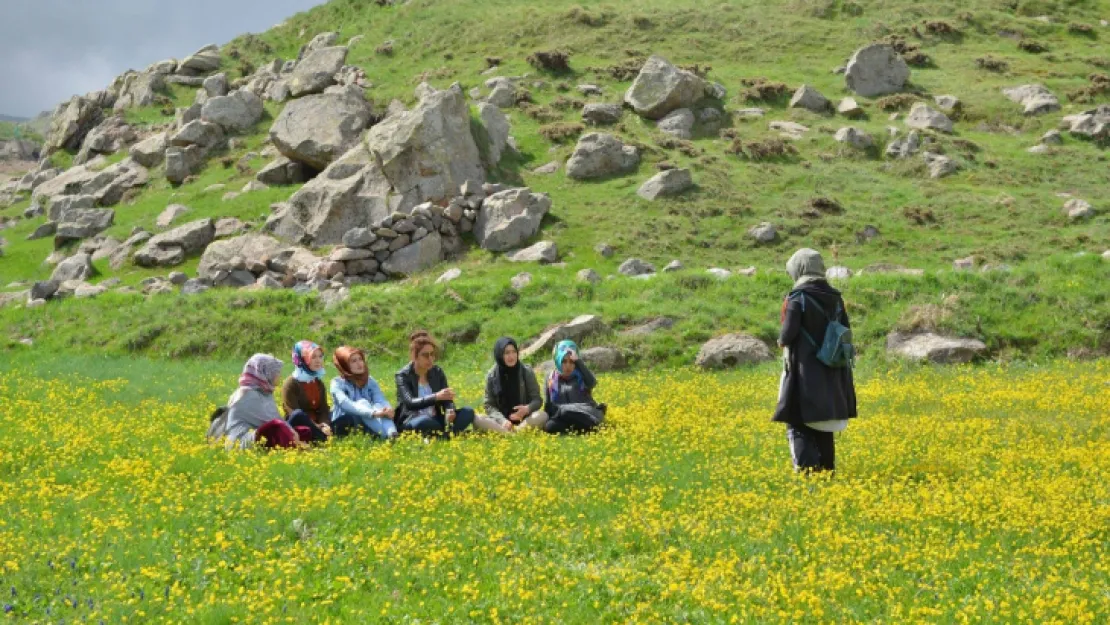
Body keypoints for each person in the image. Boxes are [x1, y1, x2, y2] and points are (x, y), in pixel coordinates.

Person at [772, 248, 857, 473]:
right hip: (832, 368)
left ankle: (807, 473)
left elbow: (788, 334)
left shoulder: (798, 296)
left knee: (799, 421)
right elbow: (846, 329)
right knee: (823, 424)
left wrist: (780, 341)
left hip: (804, 370)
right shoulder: (836, 297)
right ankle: (827, 471)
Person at [207, 354, 311, 449]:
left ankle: (294, 445)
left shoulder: (264, 391)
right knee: (278, 426)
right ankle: (297, 447)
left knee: (304, 430)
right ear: (265, 373)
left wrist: (292, 432)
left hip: (256, 434)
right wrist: (291, 432)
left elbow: (275, 419)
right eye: (276, 372)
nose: (279, 375)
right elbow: (271, 421)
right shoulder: (248, 394)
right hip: (241, 441)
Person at [394, 331, 478, 436]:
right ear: (414, 356)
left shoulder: (437, 372)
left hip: (435, 419)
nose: (430, 359)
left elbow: (447, 398)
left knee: (468, 412)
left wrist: (449, 410)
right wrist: (436, 397)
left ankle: (441, 435)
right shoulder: (402, 375)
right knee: (424, 422)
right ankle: (449, 434)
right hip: (413, 420)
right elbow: (410, 403)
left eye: (432, 354)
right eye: (425, 355)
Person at [330, 346, 399, 440]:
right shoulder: (337, 383)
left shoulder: (369, 380)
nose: (359, 364)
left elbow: (380, 399)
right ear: (344, 365)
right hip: (346, 423)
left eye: (360, 359)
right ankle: (386, 437)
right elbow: (346, 404)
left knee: (380, 406)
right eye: (353, 361)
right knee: (363, 403)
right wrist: (373, 413)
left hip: (369, 421)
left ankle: (392, 434)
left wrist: (388, 409)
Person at [483, 337, 547, 433]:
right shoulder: (492, 376)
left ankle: (516, 431)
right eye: (507, 353)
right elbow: (489, 405)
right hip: (501, 422)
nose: (511, 356)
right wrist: (502, 421)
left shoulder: (526, 372)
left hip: (524, 420)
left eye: (514, 352)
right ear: (500, 355)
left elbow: (537, 400)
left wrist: (527, 409)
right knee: (478, 419)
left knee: (542, 415)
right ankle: (509, 431)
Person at [543, 340, 606, 434]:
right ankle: (580, 430)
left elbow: (592, 383)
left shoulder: (581, 374)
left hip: (585, 413)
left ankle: (590, 426)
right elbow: (548, 405)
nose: (568, 366)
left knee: (564, 411)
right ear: (557, 360)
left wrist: (579, 362)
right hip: (563, 415)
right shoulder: (550, 378)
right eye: (564, 361)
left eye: (572, 362)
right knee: (550, 426)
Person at [280, 340, 332, 441]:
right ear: (302, 359)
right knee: (298, 414)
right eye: (313, 357)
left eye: (320, 356)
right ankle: (322, 438)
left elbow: (323, 408)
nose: (318, 361)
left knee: (343, 417)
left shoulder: (318, 382)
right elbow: (292, 412)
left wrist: (325, 425)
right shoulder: (291, 383)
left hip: (318, 423)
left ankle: (323, 435)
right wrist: (317, 426)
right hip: (298, 425)